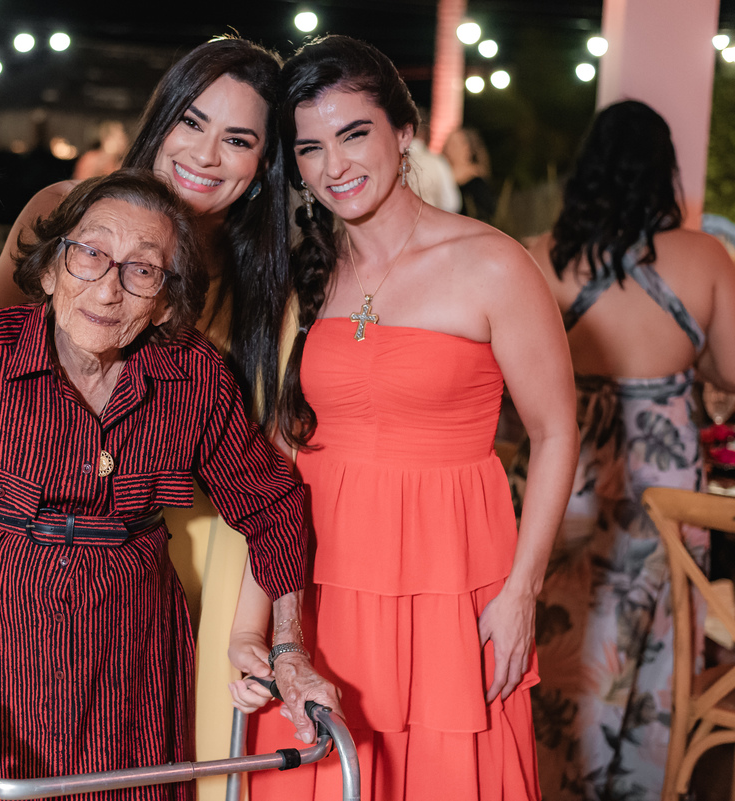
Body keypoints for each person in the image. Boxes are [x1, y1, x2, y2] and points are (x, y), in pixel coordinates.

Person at [0, 169, 334, 800]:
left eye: (142, 269)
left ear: (164, 299)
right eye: (90, 255)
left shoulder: (195, 378)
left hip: (136, 654)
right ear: (49, 270)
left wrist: (287, 647)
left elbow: (273, 501)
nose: (109, 289)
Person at [229, 36, 580, 800]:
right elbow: (283, 456)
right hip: (320, 583)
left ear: (406, 132)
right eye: (311, 147)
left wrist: (522, 589)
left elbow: (556, 432)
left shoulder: (493, 263)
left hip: (451, 578)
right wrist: (251, 622)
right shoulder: (307, 274)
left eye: (355, 133)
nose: (335, 166)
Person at [0, 36, 292, 798]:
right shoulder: (63, 212)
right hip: (36, 552)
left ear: (262, 166)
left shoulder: (266, 283)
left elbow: (271, 472)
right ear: (159, 121)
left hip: (192, 563)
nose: (207, 154)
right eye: (191, 120)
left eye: (239, 139)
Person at [517, 100, 735, 801]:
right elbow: (733, 370)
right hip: (660, 483)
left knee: (554, 627)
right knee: (647, 638)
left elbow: (504, 383)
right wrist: (681, 361)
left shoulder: (536, 255)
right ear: (663, 171)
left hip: (564, 470)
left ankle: (545, 781)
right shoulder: (703, 256)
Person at [444, 127, 497, 221]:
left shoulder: (477, 184)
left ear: (467, 149)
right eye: (447, 144)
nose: (448, 149)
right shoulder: (443, 173)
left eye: (454, 145)